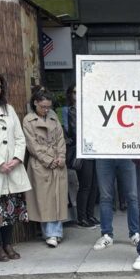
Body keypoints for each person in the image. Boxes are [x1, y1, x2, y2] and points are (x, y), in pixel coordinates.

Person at [0, 70, 31, 261]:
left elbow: (20, 137)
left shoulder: (8, 109)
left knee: (10, 207)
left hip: (12, 168)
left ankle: (8, 244)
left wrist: (17, 159)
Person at [23, 89, 68, 247]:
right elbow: (32, 146)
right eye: (43, 106)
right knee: (45, 200)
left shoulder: (53, 117)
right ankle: (51, 233)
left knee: (58, 198)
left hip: (57, 162)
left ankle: (56, 232)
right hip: (41, 164)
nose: (46, 110)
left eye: (48, 107)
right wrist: (48, 160)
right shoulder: (28, 121)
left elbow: (61, 139)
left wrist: (61, 157)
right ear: (35, 103)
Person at [63, 85, 99, 228]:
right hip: (81, 150)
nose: (77, 95)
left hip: (93, 149)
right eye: (74, 92)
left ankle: (90, 215)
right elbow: (73, 131)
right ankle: (81, 217)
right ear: (70, 94)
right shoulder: (70, 110)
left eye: (80, 92)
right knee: (85, 185)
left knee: (94, 185)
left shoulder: (89, 108)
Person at [93, 158, 140, 250]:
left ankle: (135, 233)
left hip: (126, 155)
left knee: (132, 196)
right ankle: (106, 234)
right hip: (104, 156)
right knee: (105, 197)